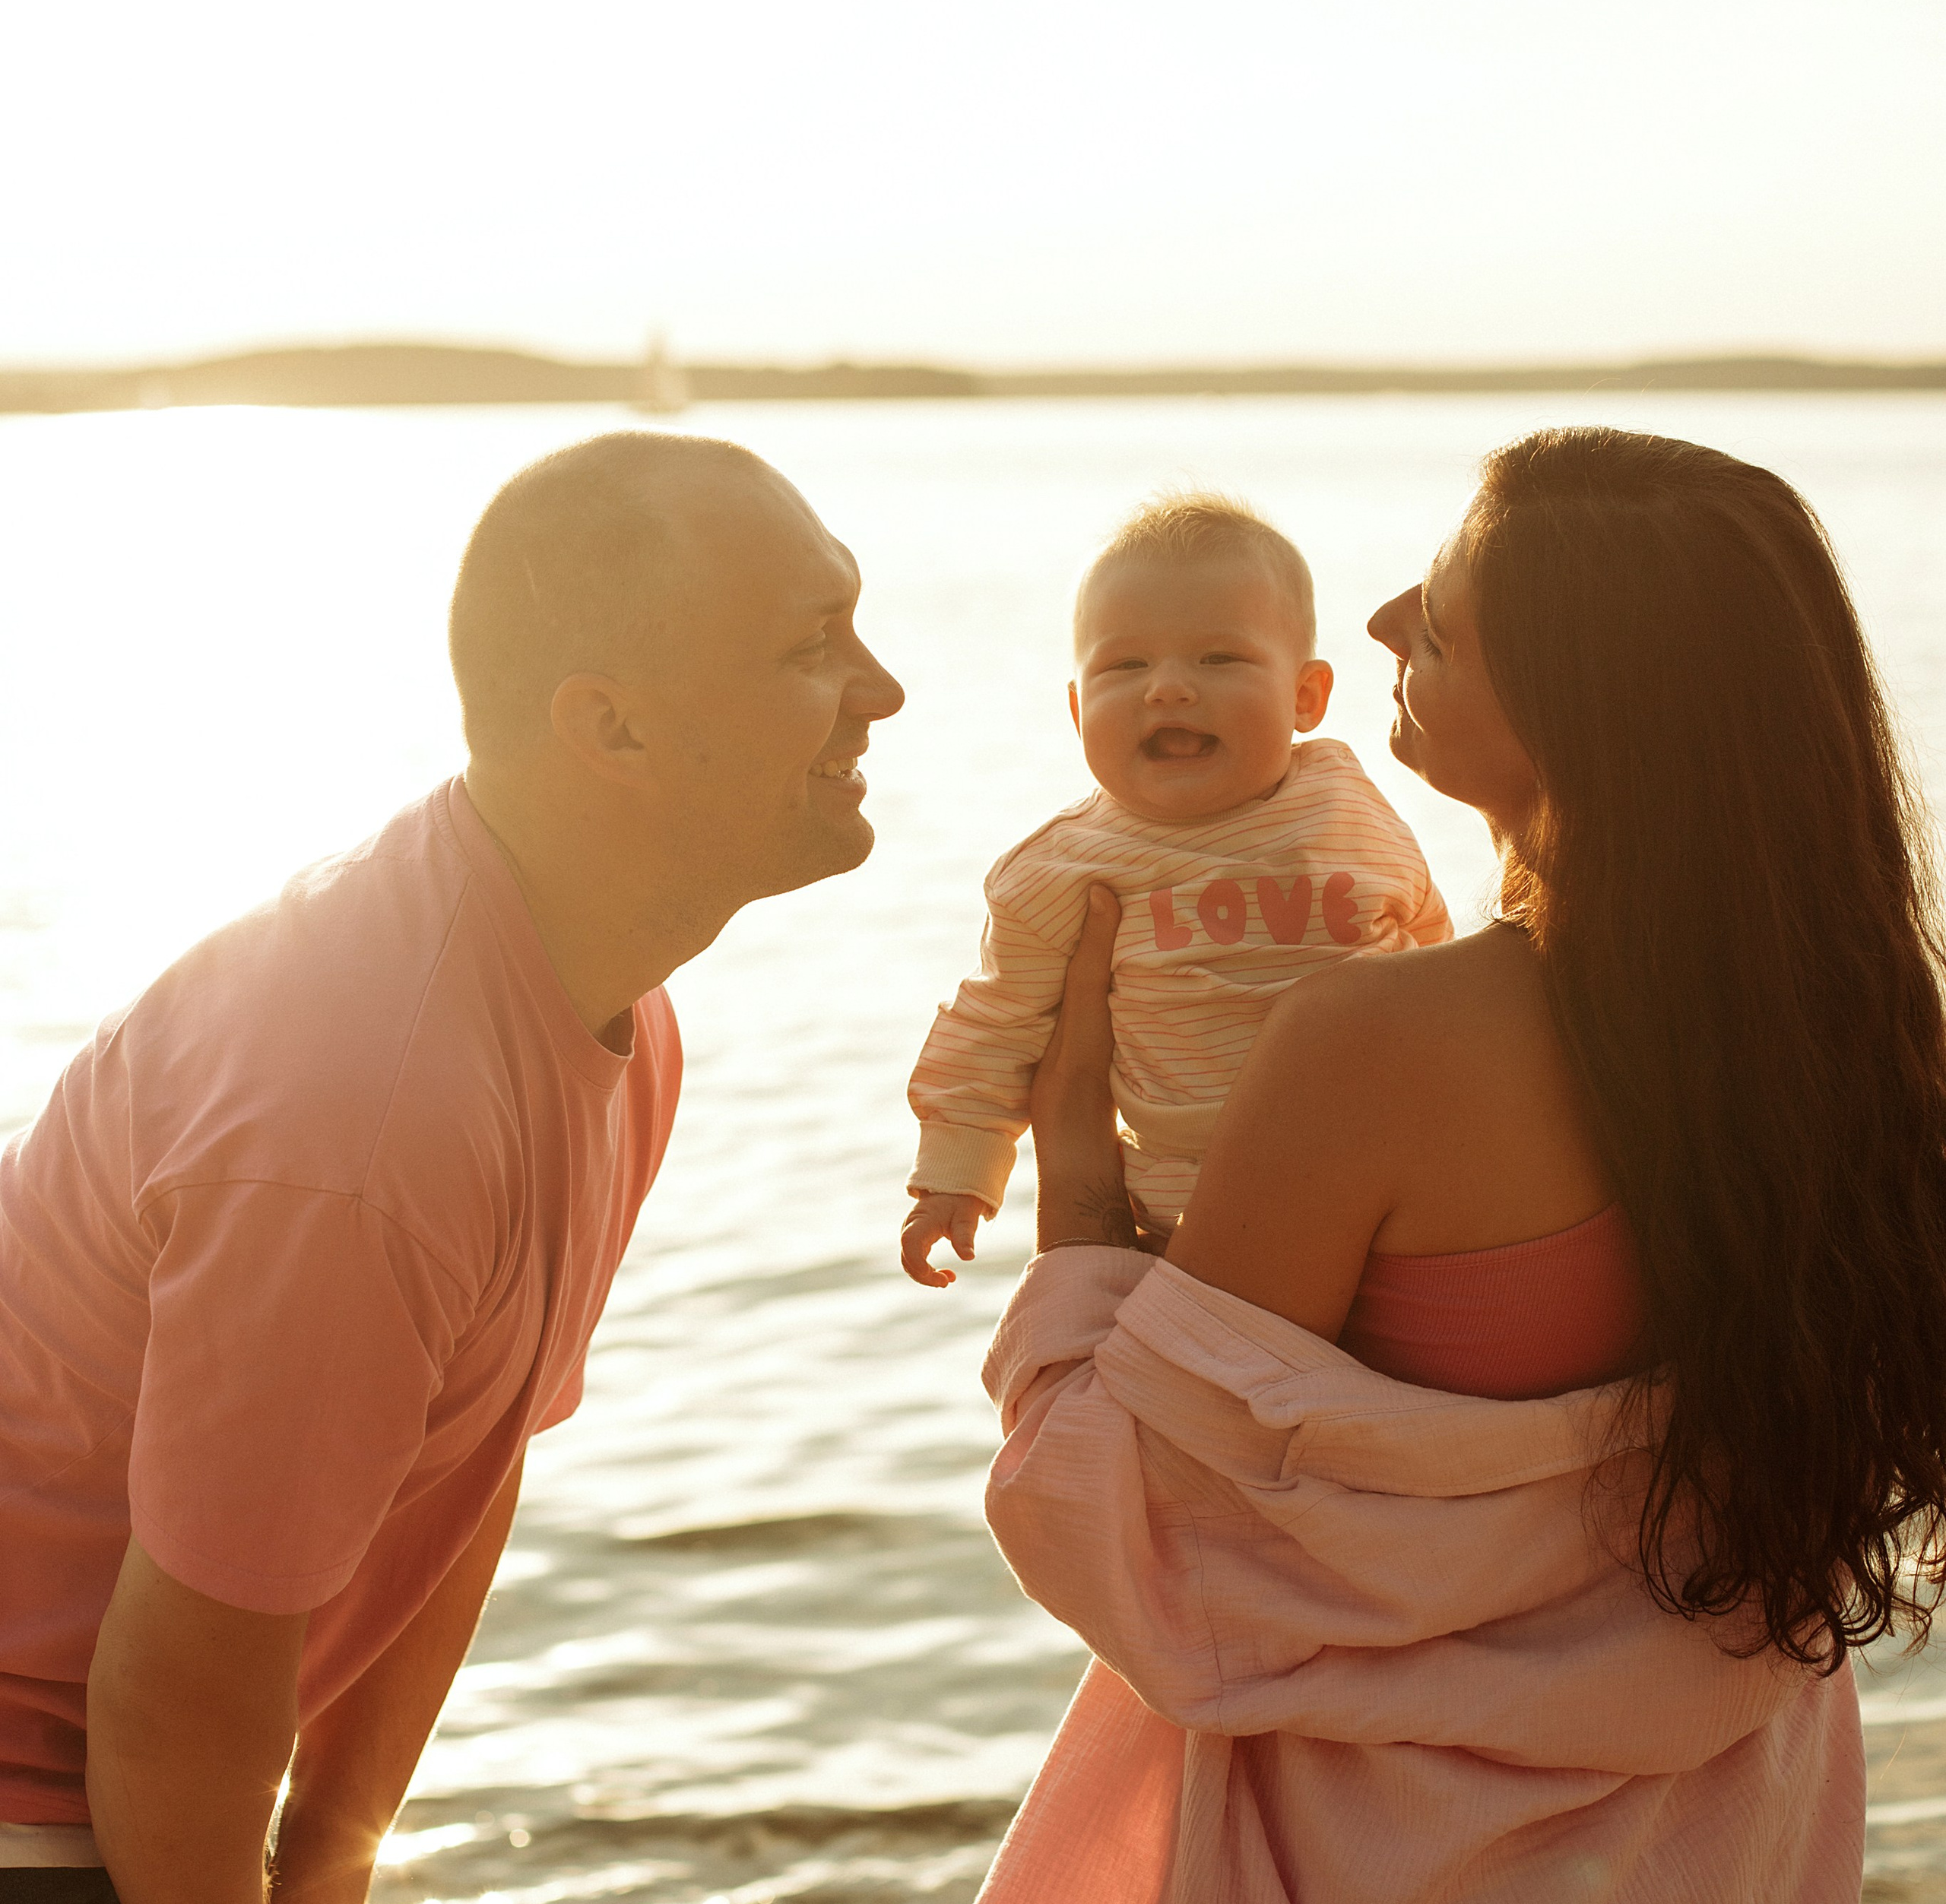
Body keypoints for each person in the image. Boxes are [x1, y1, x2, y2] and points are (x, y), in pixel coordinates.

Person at [977, 426, 1946, 1902]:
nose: (1372, 627)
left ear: (1580, 699)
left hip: (1397, 1834)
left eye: (1433, 620)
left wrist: (1074, 1199)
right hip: (1722, 1817)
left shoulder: (1372, 1042)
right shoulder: (1854, 1046)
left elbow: (1131, 1536)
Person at [0, 431, 903, 1902]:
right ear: (605, 730)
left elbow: (461, 1483)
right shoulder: (366, 1116)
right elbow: (171, 1717)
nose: (883, 690)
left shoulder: (612, 1007)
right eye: (815, 645)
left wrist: (338, 1860)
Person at [901, 496, 1449, 1285]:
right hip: (1192, 1214)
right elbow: (995, 1023)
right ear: (1076, 706)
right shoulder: (1063, 866)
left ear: (1306, 696)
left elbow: (1424, 934)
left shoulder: (1344, 801)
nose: (1167, 689)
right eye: (1124, 667)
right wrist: (956, 1172)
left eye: (1218, 659)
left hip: (1400, 1170)